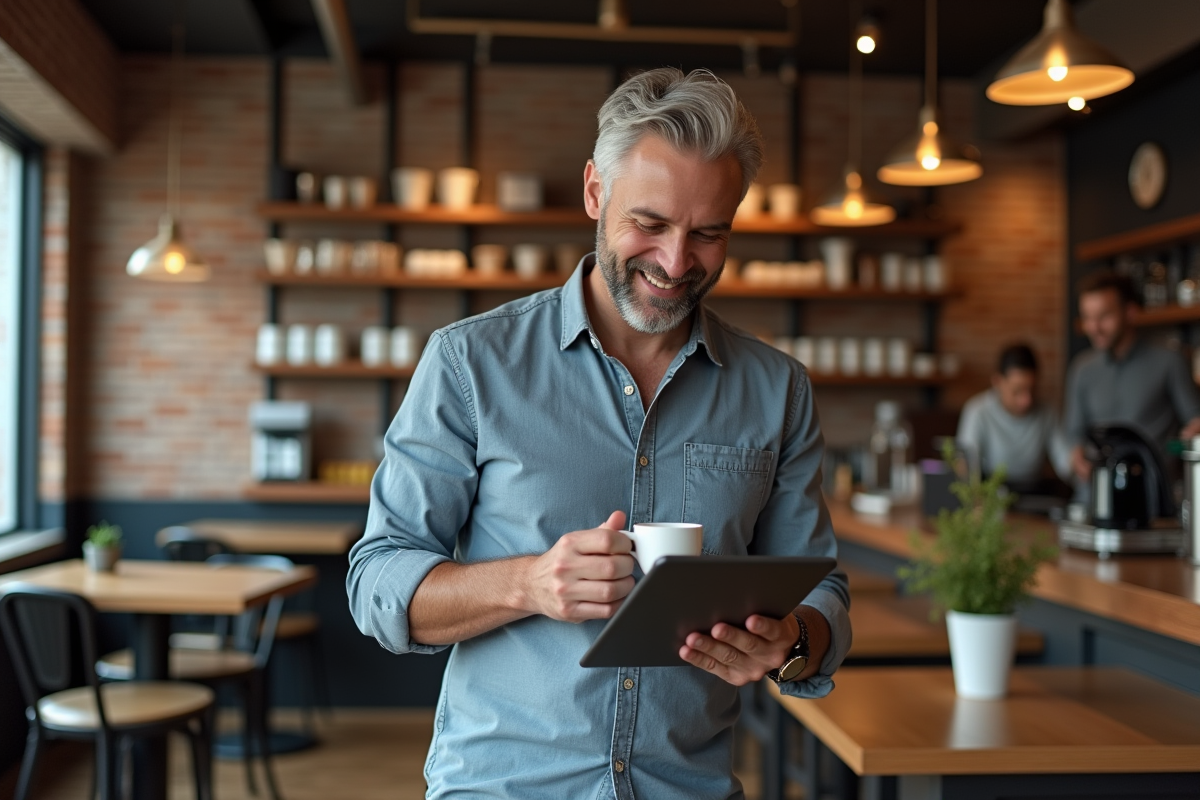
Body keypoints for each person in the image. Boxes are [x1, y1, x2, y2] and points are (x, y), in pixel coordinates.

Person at [346, 68, 850, 799]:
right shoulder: (470, 364)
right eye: (650, 224)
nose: (677, 263)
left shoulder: (776, 390)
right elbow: (378, 581)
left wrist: (795, 640)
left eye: (709, 232)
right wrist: (528, 582)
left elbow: (820, 586)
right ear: (594, 192)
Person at [1064, 269, 1200, 481]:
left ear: (1130, 312)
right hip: (1096, 494)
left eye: (1104, 316)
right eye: (1087, 318)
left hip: (1152, 496)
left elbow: (1195, 419)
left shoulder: (1169, 361)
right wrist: (1076, 455)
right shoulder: (1082, 368)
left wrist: (1192, 432)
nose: (1094, 327)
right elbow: (1074, 434)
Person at [956, 343, 1070, 485]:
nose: (1026, 400)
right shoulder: (977, 411)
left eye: (1032, 390)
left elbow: (1065, 462)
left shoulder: (1047, 413)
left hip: (1033, 494)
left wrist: (1077, 463)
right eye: (1017, 391)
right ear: (997, 382)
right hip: (990, 494)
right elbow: (966, 465)